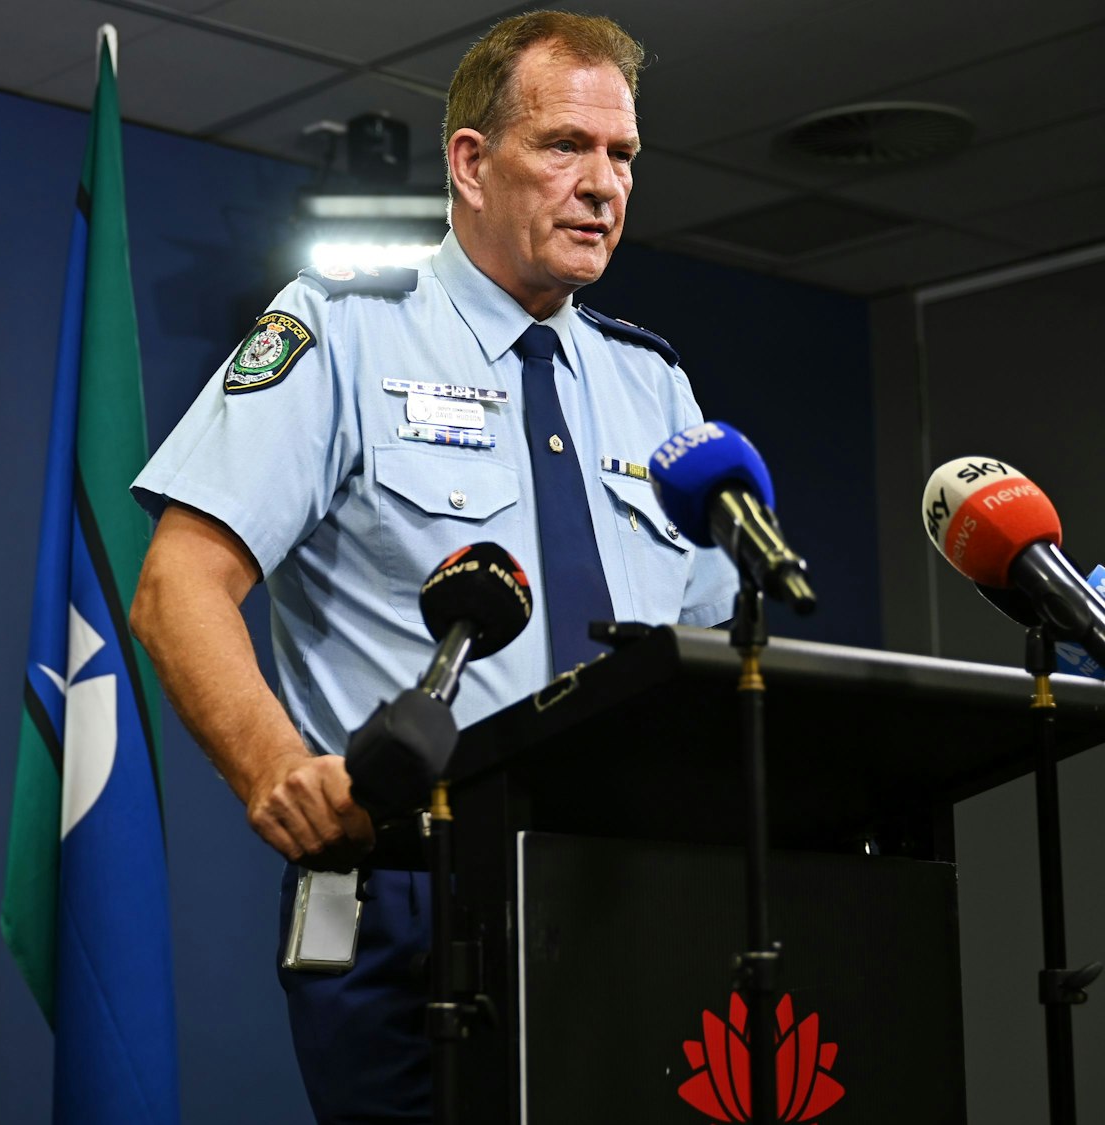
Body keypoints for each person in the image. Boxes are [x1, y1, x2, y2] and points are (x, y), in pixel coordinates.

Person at [128, 11, 739, 1120]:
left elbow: (701, 654)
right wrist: (273, 768)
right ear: (469, 162)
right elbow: (177, 583)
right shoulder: (344, 331)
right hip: (410, 888)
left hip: (624, 889)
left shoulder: (654, 388)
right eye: (564, 146)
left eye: (621, 157)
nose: (600, 183)